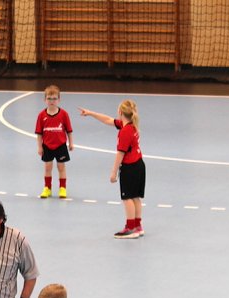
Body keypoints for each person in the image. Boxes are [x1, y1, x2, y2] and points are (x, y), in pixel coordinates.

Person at [79, 100, 146, 238]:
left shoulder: (125, 132)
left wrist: (113, 172)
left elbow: (120, 154)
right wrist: (91, 113)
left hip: (130, 167)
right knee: (135, 197)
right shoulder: (129, 125)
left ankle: (130, 227)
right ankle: (138, 226)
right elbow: (108, 120)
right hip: (139, 165)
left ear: (120, 112)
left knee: (127, 198)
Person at [35, 85, 74, 199]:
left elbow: (69, 130)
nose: (52, 101)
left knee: (61, 167)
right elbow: (39, 133)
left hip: (60, 145)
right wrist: (39, 147)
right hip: (47, 146)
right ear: (45, 100)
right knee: (48, 167)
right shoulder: (41, 115)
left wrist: (71, 143)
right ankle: (47, 188)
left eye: (54, 98)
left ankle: (62, 188)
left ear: (59, 100)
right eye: (49, 98)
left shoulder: (64, 114)